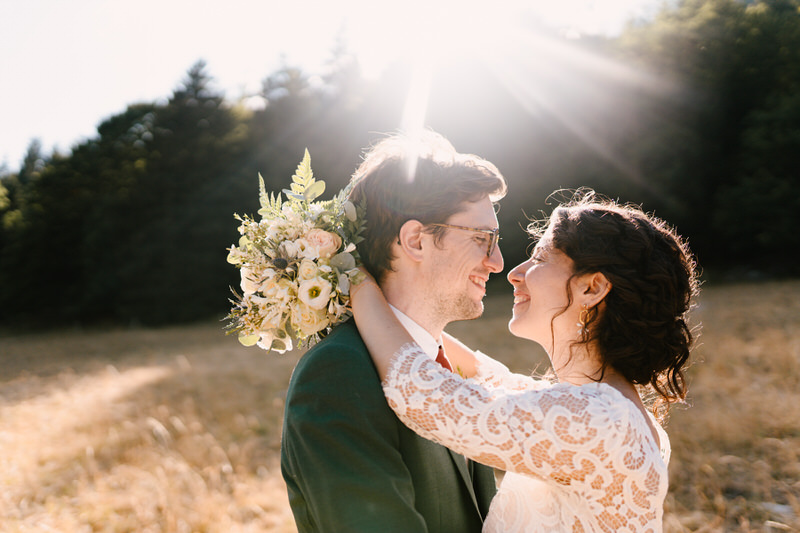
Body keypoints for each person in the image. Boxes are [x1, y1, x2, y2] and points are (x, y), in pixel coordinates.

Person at [350, 190, 700, 532]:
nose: (515, 272)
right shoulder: (604, 410)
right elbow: (485, 375)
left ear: (592, 288)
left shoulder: (602, 421)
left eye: (540, 259)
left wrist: (350, 274)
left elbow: (425, 395)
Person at [280, 130, 508, 532]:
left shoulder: (453, 365)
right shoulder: (336, 373)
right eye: (481, 239)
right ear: (416, 240)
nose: (498, 261)